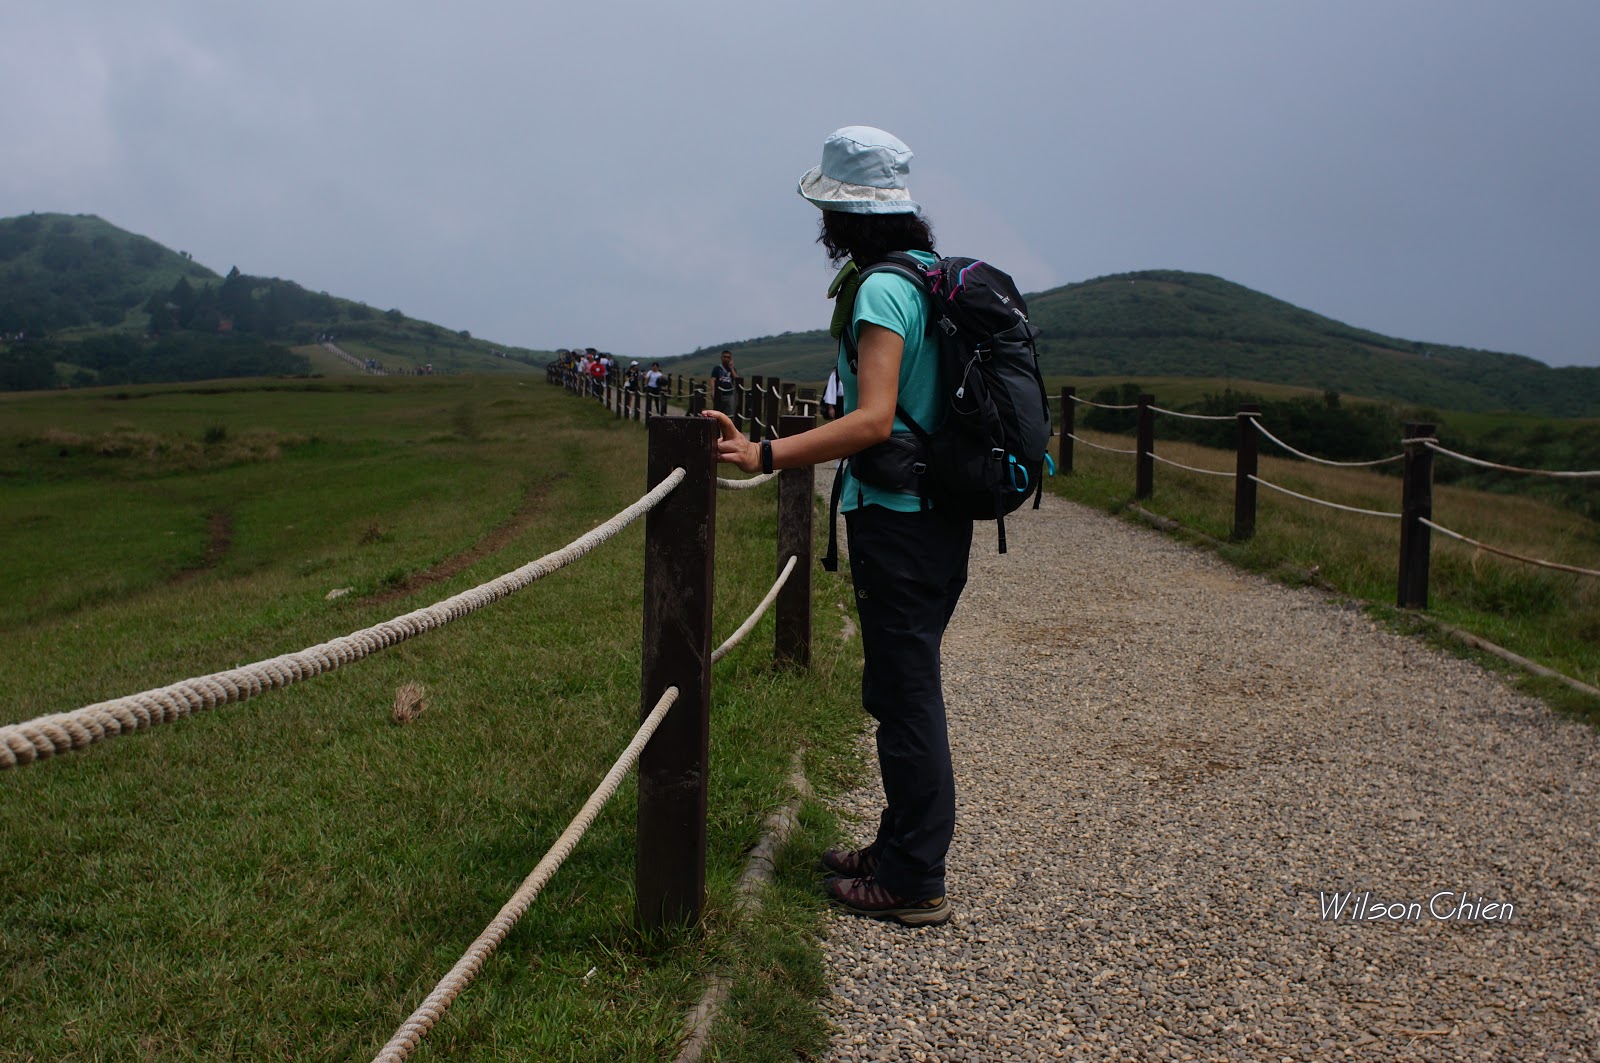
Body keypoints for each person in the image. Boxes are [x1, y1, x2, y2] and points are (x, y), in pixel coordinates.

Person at [702, 125, 968, 927]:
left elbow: (874, 419)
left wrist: (766, 453)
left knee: (908, 694)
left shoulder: (883, 290)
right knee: (899, 686)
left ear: (847, 214)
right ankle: (897, 847)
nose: (822, 226)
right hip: (931, 513)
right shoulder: (923, 273)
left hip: (901, 519)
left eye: (827, 210)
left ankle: (915, 877)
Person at [709, 349, 740, 417]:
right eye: (724, 357)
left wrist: (731, 368)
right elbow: (712, 379)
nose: (726, 359)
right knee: (718, 414)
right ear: (721, 358)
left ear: (730, 359)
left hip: (729, 394)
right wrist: (713, 390)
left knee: (729, 414)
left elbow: (737, 380)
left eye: (728, 357)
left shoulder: (733, 369)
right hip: (719, 394)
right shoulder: (717, 369)